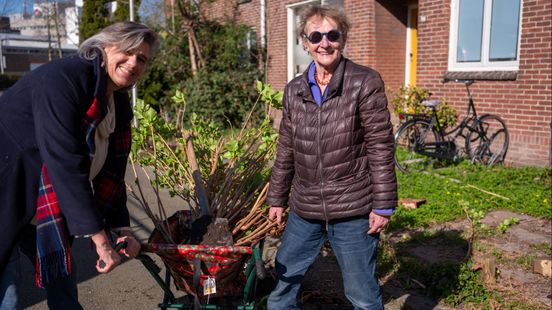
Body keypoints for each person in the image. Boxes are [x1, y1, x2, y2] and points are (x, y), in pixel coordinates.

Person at [0, 21, 158, 309]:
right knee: (7, 292)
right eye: (127, 51)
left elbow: (111, 174)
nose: (133, 62)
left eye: (142, 59)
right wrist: (99, 238)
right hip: (7, 193)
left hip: (45, 201)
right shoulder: (64, 79)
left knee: (62, 279)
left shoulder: (117, 103)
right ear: (104, 46)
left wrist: (121, 229)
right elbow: (65, 161)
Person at [266, 5, 397, 310]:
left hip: (353, 207)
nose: (324, 43)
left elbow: (380, 146)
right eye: (316, 36)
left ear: (343, 38)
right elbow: (286, 148)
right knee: (282, 289)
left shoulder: (364, 82)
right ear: (305, 42)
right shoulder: (294, 90)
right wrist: (276, 199)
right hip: (305, 206)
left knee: (362, 295)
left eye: (332, 34)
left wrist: (383, 204)